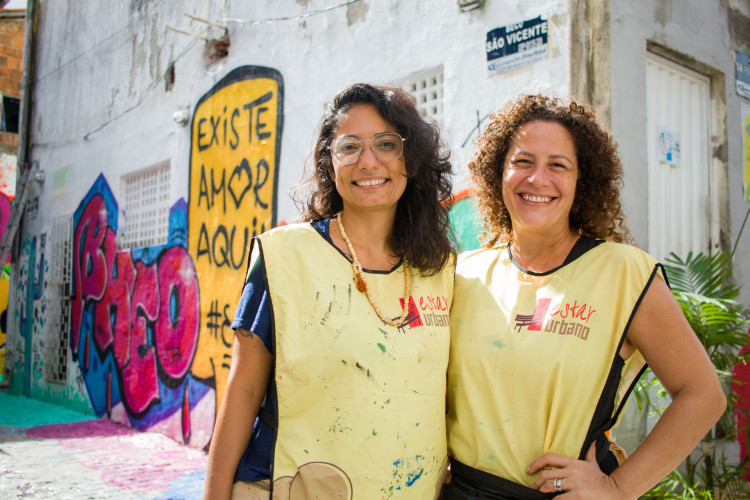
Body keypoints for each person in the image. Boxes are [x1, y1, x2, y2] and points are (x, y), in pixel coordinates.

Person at [444, 94, 725, 499]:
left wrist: (618, 488)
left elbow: (702, 395)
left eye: (558, 165)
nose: (537, 178)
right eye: (523, 161)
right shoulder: (465, 273)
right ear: (497, 173)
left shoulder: (624, 272)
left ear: (582, 181)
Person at [203, 83, 455, 500]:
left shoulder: (441, 269)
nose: (368, 161)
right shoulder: (285, 257)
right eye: (349, 147)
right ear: (330, 163)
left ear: (410, 160)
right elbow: (243, 391)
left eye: (386, 144)